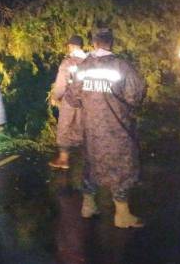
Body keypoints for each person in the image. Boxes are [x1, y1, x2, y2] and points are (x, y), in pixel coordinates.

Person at [65, 28, 146, 228]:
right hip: (117, 129)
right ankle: (122, 215)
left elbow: (72, 98)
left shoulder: (83, 67)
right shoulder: (121, 66)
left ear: (93, 43)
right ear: (111, 42)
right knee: (122, 167)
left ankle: (88, 206)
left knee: (91, 164)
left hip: (91, 130)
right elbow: (135, 96)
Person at [48, 35, 87, 170]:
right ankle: (84, 159)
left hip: (69, 100)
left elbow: (61, 83)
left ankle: (64, 159)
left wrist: (55, 97)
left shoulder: (68, 62)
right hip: (85, 101)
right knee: (82, 126)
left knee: (64, 127)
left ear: (71, 46)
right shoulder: (89, 62)